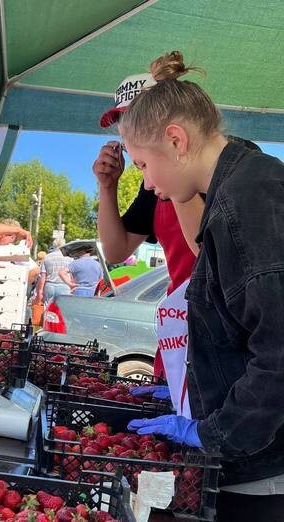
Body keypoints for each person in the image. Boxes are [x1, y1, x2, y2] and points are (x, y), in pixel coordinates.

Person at [121, 51, 284, 521]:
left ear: (175, 140)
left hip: (264, 473)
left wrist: (214, 434)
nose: (147, 184)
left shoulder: (248, 201)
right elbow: (240, 330)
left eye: (143, 166)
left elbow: (278, 351)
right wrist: (189, 386)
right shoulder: (234, 190)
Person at [94, 66, 203, 391]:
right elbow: (116, 250)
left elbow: (207, 249)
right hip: (177, 338)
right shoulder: (151, 188)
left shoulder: (214, 176)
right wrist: (107, 186)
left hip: (214, 344)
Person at [35, 238, 72, 306]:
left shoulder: (47, 257)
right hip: (64, 285)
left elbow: (43, 277)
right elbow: (72, 275)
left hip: (50, 285)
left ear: (54, 245)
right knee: (62, 309)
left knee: (47, 308)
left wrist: (40, 292)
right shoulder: (69, 258)